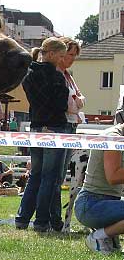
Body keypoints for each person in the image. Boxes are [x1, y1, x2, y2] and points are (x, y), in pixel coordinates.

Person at [15, 37, 69, 232]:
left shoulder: (29, 74)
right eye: (61, 56)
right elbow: (62, 105)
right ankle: (41, 222)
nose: (62, 60)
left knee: (35, 175)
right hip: (54, 129)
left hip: (36, 127)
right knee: (49, 178)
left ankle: (22, 219)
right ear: (52, 54)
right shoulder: (56, 77)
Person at [51, 37, 85, 230]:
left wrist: (77, 103)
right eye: (69, 54)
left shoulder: (69, 76)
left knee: (61, 175)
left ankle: (57, 218)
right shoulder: (57, 75)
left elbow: (80, 99)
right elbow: (71, 104)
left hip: (71, 127)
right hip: (61, 127)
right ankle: (53, 218)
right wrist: (77, 104)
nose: (71, 58)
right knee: (54, 176)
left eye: (74, 56)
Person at [74, 123, 124, 254]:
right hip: (90, 204)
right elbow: (113, 176)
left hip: (104, 202)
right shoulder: (113, 137)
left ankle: (107, 236)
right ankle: (98, 237)